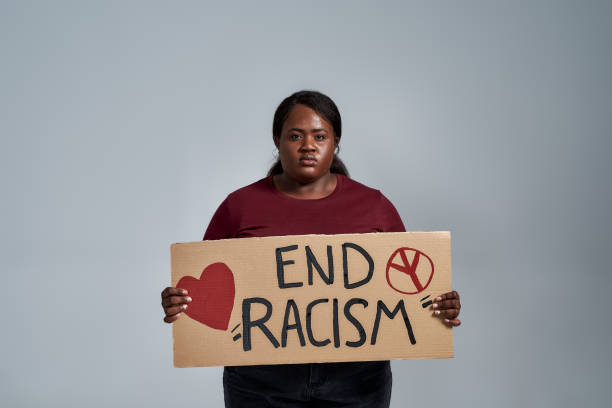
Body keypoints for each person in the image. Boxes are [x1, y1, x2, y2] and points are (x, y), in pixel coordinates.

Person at [161, 90, 462, 407]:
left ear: (335, 142)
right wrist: (178, 301)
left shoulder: (375, 206)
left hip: (358, 380)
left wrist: (441, 306)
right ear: (277, 140)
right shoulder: (239, 206)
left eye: (320, 136)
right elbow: (202, 283)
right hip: (259, 380)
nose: (308, 146)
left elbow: (410, 292)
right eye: (295, 136)